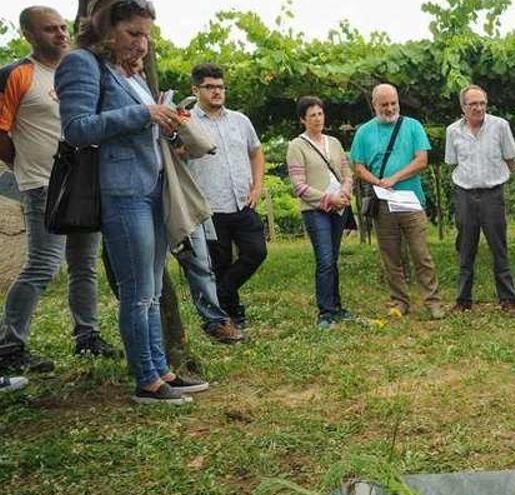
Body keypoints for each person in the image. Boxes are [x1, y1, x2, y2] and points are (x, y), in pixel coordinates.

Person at [57, 0, 207, 404]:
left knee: (153, 289)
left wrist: (169, 125)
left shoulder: (130, 73)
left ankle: (162, 370)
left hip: (152, 186)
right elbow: (76, 128)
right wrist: (145, 112)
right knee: (137, 291)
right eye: (133, 34)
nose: (143, 44)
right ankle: (146, 379)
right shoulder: (82, 64)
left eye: (147, 36)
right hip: (122, 191)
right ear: (107, 28)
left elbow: (145, 120)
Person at [1, 5, 122, 379]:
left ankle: (87, 335)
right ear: (29, 35)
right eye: (49, 29)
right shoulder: (17, 74)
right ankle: (9, 345)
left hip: (85, 185)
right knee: (42, 265)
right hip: (42, 185)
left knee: (84, 264)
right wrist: (23, 165)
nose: (60, 34)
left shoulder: (81, 71)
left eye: (61, 27)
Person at [350, 83, 447, 319]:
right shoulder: (364, 132)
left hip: (411, 201)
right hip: (382, 202)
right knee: (390, 255)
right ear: (374, 105)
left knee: (421, 253)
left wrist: (393, 178)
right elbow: (358, 166)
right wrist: (378, 181)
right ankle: (399, 300)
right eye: (384, 104)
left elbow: (421, 160)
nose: (390, 108)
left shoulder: (413, 126)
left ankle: (432, 301)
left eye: (393, 103)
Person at [185, 62, 267, 329]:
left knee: (256, 252)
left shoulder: (240, 121)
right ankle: (232, 316)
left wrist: (257, 187)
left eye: (220, 87)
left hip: (243, 201)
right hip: (209, 205)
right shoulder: (186, 121)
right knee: (218, 263)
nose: (217, 92)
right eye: (210, 87)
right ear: (196, 90)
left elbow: (256, 151)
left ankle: (222, 294)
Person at [443, 84, 515, 313]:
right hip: (465, 194)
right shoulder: (452, 131)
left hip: (492, 195)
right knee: (465, 248)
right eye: (473, 104)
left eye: (482, 103)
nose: (478, 108)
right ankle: (463, 300)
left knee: (499, 247)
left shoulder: (500, 126)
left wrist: (495, 178)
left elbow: (511, 159)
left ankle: (507, 299)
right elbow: (453, 162)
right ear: (463, 107)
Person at [286, 96, 354, 328]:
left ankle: (337, 306)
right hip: (316, 210)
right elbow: (299, 186)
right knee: (324, 260)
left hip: (339, 208)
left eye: (320, 113)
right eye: (312, 115)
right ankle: (325, 312)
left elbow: (347, 172)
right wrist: (329, 198)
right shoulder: (296, 146)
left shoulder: (334, 142)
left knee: (333, 259)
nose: (317, 118)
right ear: (303, 120)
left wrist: (344, 192)